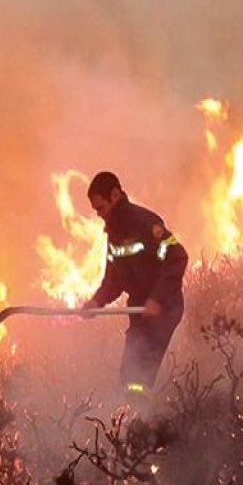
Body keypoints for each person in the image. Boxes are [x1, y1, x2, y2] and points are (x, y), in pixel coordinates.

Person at [81, 171, 188, 403]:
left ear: (115, 195)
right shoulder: (114, 235)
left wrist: (156, 299)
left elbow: (177, 256)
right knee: (128, 374)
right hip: (139, 312)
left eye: (100, 208)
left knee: (140, 375)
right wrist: (96, 302)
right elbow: (113, 280)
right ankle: (133, 417)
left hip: (165, 309)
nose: (99, 214)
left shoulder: (146, 223)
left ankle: (145, 418)